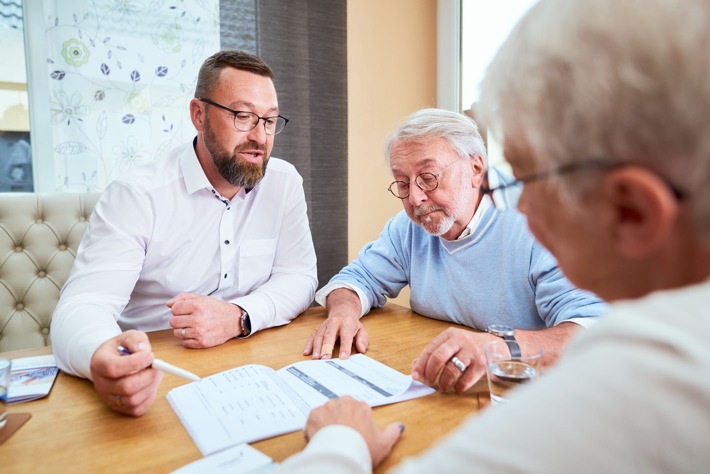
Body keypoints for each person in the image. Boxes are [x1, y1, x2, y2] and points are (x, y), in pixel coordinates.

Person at [277, 0, 710, 471]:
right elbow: (360, 275)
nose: (519, 202)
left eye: (529, 178)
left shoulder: (654, 375)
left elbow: (586, 327)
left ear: (633, 212)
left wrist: (340, 444)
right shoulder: (661, 342)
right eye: (403, 185)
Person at [51, 50, 318, 416]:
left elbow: (299, 275)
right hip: (157, 375)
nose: (260, 136)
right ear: (199, 114)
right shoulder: (137, 194)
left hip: (258, 370)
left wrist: (238, 316)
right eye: (243, 116)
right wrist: (101, 355)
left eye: (270, 121)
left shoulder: (284, 182)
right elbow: (82, 306)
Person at [304, 107, 607, 392]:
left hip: (531, 393)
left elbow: (592, 330)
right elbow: (358, 278)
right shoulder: (411, 226)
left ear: (476, 169)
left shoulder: (542, 221)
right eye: (403, 183)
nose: (415, 198)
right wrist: (344, 311)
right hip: (444, 384)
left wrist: (498, 347)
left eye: (428, 177)